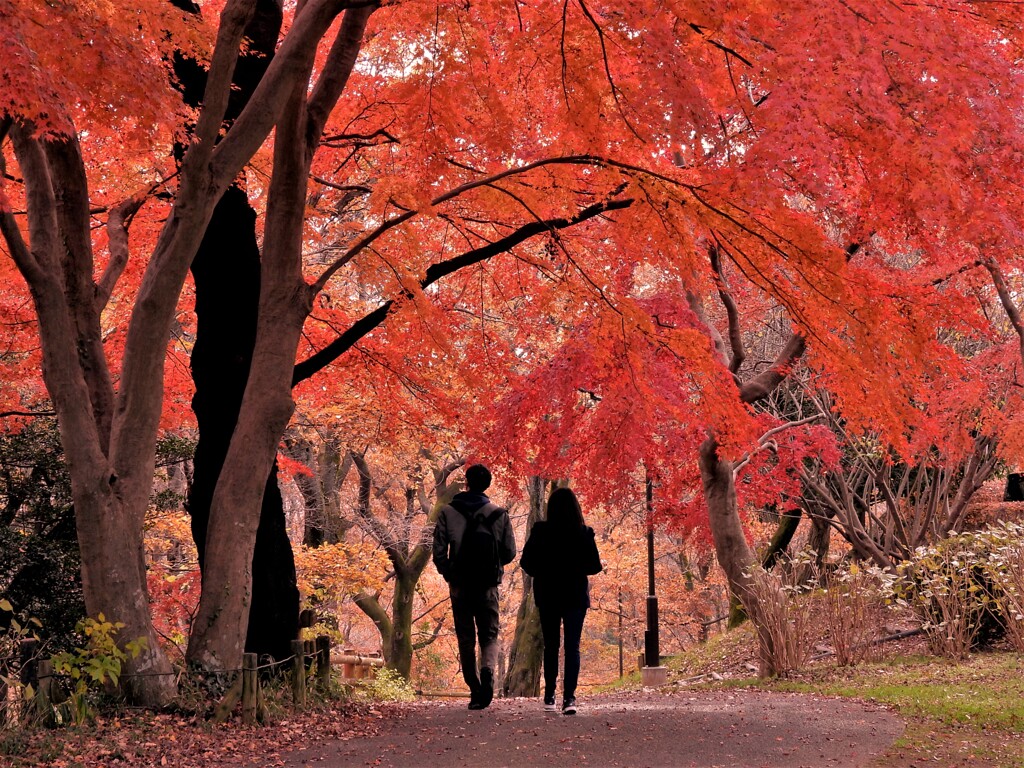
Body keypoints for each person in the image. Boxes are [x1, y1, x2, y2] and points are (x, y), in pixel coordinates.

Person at [432, 464, 516, 710]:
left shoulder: (448, 512)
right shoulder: (499, 514)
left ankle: (474, 687)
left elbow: (438, 551)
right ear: (487, 485)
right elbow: (510, 552)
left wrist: (449, 573)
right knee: (489, 634)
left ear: (466, 482)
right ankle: (488, 671)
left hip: (459, 584)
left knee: (466, 637)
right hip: (488, 584)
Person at [520, 486, 602, 715]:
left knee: (551, 646)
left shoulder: (540, 532)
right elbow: (595, 566)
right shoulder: (584, 533)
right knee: (572, 647)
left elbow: (526, 563)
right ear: (575, 508)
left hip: (547, 593)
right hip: (574, 593)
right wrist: (575, 567)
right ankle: (570, 699)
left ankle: (549, 696)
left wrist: (545, 570)